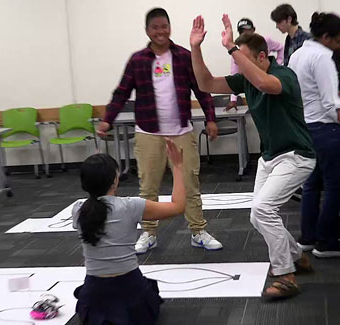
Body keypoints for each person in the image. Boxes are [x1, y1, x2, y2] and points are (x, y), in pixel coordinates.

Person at [190, 13, 316, 300]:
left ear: (262, 57)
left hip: (297, 155)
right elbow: (207, 83)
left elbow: (265, 84)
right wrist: (195, 48)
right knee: (257, 217)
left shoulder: (284, 75)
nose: (239, 66)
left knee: (262, 209)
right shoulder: (246, 78)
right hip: (271, 157)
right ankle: (298, 256)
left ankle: (286, 275)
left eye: (244, 60)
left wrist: (232, 48)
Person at [95, 8, 223, 255]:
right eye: (155, 27)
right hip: (148, 133)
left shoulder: (184, 57)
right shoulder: (138, 60)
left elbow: (202, 89)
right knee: (148, 187)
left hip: (182, 131)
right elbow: (122, 92)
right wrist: (107, 120)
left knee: (190, 183)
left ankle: (198, 231)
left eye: (164, 26)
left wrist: (211, 119)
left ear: (170, 28)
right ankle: (149, 233)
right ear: (147, 31)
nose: (160, 31)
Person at [72, 141, 186, 325]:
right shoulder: (130, 206)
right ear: (115, 180)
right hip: (129, 289)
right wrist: (178, 167)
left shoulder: (78, 210)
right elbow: (178, 207)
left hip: (94, 292)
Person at [287, 12, 340, 258]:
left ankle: (309, 236)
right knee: (335, 186)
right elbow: (330, 102)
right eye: (339, 39)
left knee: (311, 186)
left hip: (304, 128)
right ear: (326, 37)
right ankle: (327, 241)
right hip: (325, 130)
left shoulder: (297, 55)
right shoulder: (324, 58)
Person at [227, 18, 285, 110]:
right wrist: (233, 99)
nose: (245, 34)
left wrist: (277, 65)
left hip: (270, 80)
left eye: (247, 31)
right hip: (254, 86)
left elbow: (281, 48)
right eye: (242, 31)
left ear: (253, 30)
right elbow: (234, 72)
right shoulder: (238, 50)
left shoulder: (265, 40)